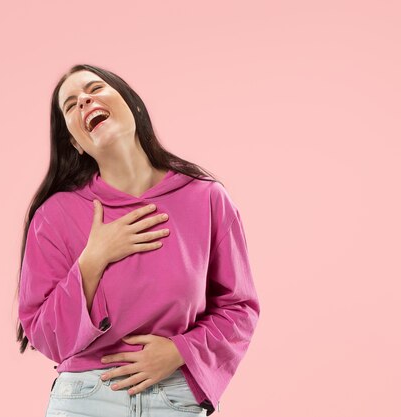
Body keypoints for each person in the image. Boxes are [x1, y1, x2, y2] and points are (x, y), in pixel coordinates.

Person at [16, 64, 261, 416]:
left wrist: (181, 351)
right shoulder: (55, 215)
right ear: (75, 142)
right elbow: (44, 334)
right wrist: (93, 260)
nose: (84, 100)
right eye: (70, 105)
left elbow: (239, 307)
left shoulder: (206, 198)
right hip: (86, 399)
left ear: (133, 104)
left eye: (95, 89)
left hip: (177, 397)